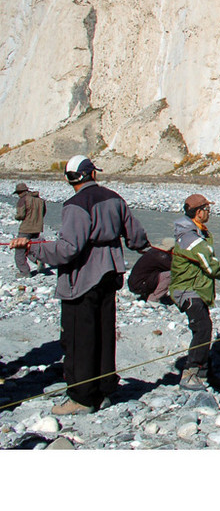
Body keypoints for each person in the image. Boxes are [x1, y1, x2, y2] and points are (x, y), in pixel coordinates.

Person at [11, 156, 149, 415]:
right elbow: (136, 236)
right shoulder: (115, 198)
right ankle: (104, 391)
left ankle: (82, 398)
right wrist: (145, 248)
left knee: (78, 338)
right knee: (104, 333)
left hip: (83, 279)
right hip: (110, 273)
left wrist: (32, 248)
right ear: (92, 174)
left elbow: (67, 250)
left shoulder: (75, 205)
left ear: (69, 179)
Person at [169, 193, 220, 390]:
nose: (209, 212)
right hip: (187, 290)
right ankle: (190, 373)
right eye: (207, 209)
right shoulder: (192, 238)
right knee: (203, 328)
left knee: (203, 327)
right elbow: (211, 267)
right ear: (198, 212)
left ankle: (203, 372)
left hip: (196, 289)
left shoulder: (198, 232)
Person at [126, 237, 174, 304]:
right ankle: (153, 299)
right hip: (140, 285)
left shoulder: (155, 252)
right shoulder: (161, 256)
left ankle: (146, 296)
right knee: (172, 274)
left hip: (136, 283)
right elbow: (175, 268)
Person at [12, 182, 45, 277]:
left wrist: (16, 217)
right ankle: (38, 260)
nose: (18, 195)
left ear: (20, 192)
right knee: (31, 248)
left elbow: (21, 215)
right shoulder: (40, 200)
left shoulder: (23, 200)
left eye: (18, 193)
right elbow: (43, 213)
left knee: (20, 252)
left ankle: (25, 272)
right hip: (37, 228)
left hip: (26, 228)